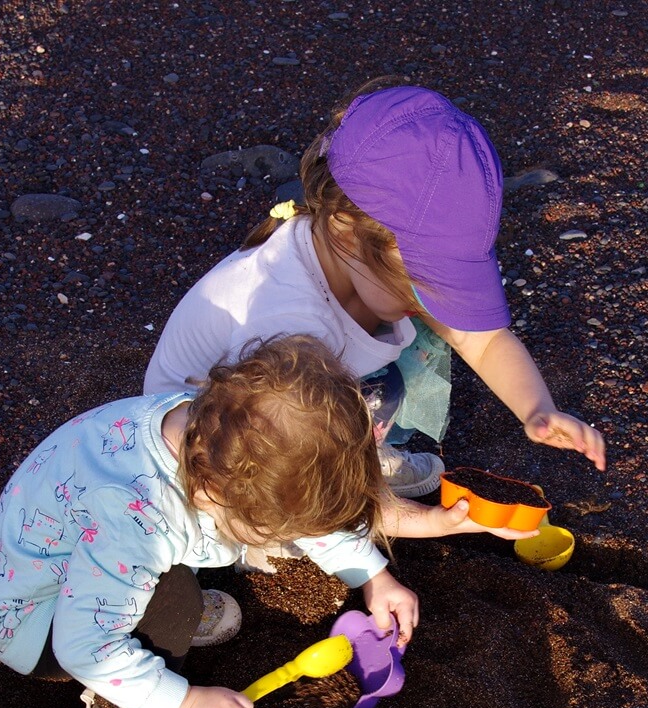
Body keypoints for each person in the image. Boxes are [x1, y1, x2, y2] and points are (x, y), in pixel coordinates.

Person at [145, 81, 606, 513]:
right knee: (279, 507)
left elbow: (481, 340)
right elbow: (257, 451)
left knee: (392, 377)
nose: (432, 299)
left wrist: (538, 409)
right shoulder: (288, 323)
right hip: (214, 449)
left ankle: (360, 449)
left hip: (292, 395)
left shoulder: (350, 255)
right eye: (422, 280)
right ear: (347, 234)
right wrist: (372, 517)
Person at [0, 335, 419, 708]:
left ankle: (150, 622)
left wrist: (373, 576)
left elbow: (300, 503)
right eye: (274, 529)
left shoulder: (210, 432)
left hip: (89, 561)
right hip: (32, 622)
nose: (288, 536)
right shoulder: (138, 519)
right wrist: (183, 703)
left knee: (171, 579)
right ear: (212, 494)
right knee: (178, 598)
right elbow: (85, 648)